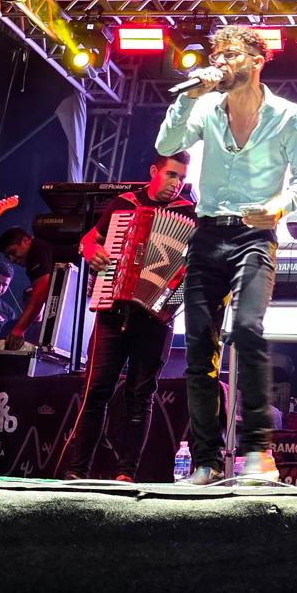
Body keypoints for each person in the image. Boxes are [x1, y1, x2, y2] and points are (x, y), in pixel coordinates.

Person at [161, 25, 297, 485]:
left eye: (232, 54)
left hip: (255, 235)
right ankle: (207, 461)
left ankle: (258, 453)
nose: (222, 62)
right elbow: (166, 146)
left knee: (248, 328)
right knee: (198, 346)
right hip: (209, 234)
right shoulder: (206, 109)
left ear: (256, 60)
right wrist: (187, 98)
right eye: (218, 55)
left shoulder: (288, 115)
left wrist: (279, 207)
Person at [58, 151, 196, 481]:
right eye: (171, 175)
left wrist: (173, 301)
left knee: (140, 396)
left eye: (181, 178)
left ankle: (126, 474)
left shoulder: (189, 214)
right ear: (154, 171)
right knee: (95, 392)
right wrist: (91, 251)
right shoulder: (124, 204)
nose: (176, 184)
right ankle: (77, 471)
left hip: (156, 319)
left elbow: (193, 271)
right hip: (112, 308)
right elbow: (90, 240)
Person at [0, 227, 58, 348]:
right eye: (8, 257)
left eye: (13, 252)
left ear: (26, 241)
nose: (12, 259)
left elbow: (41, 289)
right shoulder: (40, 253)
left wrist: (19, 329)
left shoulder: (36, 249)